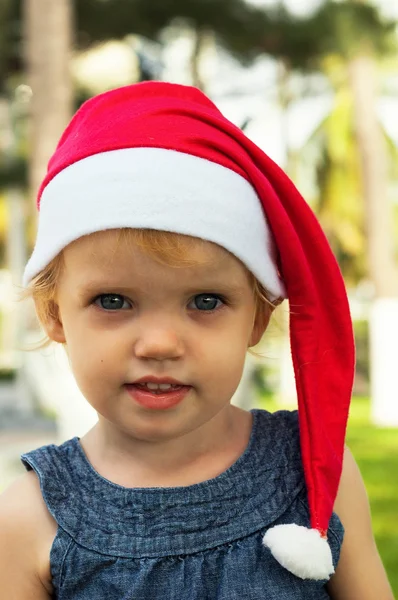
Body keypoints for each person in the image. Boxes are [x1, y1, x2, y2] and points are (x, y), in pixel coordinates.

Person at [0, 82, 393, 599]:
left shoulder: (316, 477)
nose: (160, 344)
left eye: (205, 302)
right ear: (55, 315)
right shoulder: (31, 517)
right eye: (113, 301)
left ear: (256, 318)